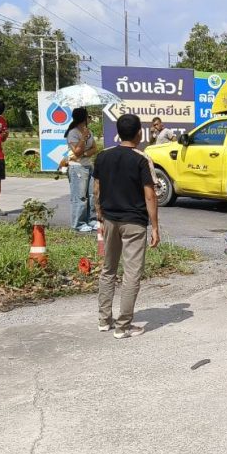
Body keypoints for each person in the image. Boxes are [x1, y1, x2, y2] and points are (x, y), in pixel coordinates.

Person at [93, 113, 161, 339]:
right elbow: (150, 195)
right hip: (134, 223)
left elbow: (97, 189)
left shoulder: (103, 156)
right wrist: (155, 227)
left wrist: (99, 214)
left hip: (109, 220)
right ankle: (123, 326)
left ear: (119, 133)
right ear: (139, 134)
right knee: (131, 274)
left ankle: (104, 320)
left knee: (108, 269)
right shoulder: (142, 159)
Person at [65, 107, 98, 232]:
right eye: (88, 116)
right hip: (77, 167)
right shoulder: (72, 133)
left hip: (88, 165)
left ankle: (92, 220)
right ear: (84, 118)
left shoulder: (89, 131)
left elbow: (94, 148)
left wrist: (84, 154)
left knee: (92, 195)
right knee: (80, 196)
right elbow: (77, 152)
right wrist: (83, 138)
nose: (89, 119)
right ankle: (78, 223)